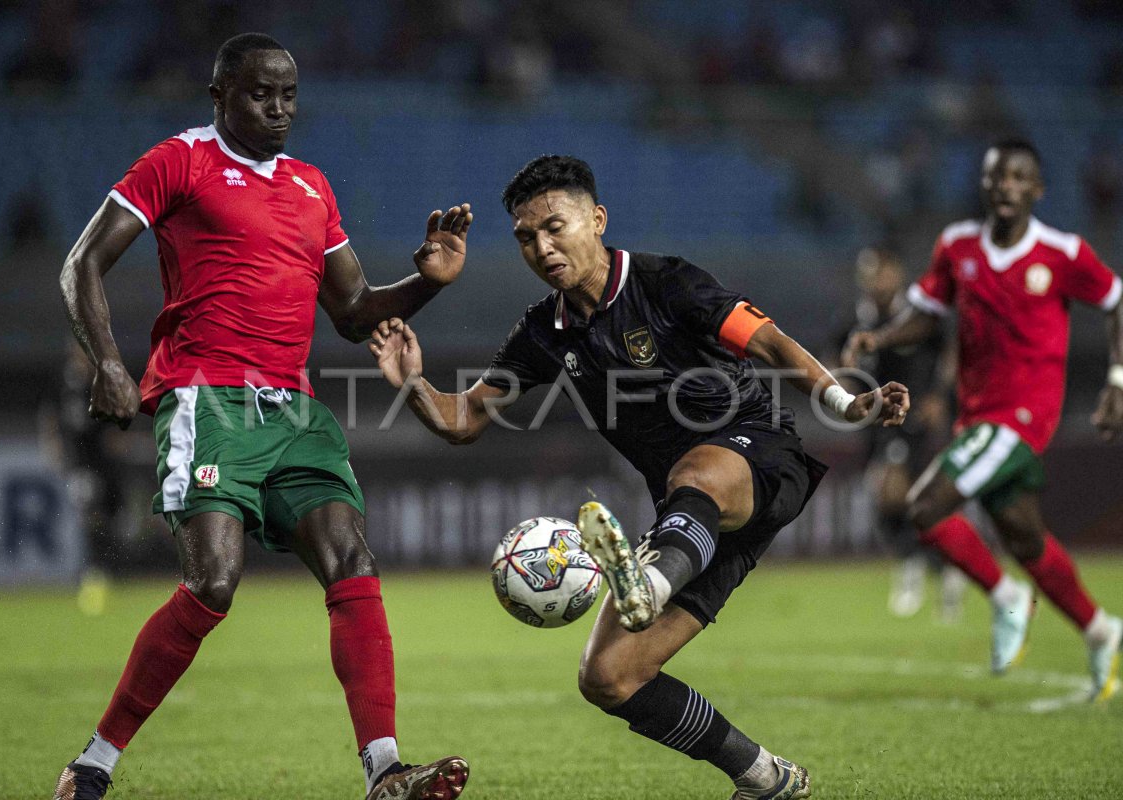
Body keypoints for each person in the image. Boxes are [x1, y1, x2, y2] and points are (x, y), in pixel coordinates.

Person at [370, 155, 910, 800]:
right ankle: (763, 776)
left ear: (596, 220)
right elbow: (466, 420)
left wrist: (848, 405)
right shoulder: (543, 333)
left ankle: (648, 582)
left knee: (697, 471)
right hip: (694, 519)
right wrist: (413, 385)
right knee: (610, 676)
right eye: (525, 238)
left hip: (760, 457)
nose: (542, 248)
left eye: (555, 227)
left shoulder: (667, 283)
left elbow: (767, 343)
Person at [53, 33, 471, 800]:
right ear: (220, 96)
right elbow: (81, 263)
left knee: (355, 563)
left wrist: (426, 281)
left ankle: (385, 772)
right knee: (213, 582)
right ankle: (92, 764)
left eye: (287, 96)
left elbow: (351, 312)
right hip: (205, 395)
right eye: (259, 94)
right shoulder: (177, 161)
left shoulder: (312, 186)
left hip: (295, 408)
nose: (277, 109)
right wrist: (109, 362)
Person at [844, 138, 1123, 701]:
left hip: (1025, 416)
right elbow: (926, 313)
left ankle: (1006, 599)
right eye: (998, 178)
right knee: (1025, 538)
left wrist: (1118, 381)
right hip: (977, 416)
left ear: (1038, 190)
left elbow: (1117, 300)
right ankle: (1100, 629)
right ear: (985, 186)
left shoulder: (1062, 252)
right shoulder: (956, 246)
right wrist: (881, 335)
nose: (1007, 188)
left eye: (1020, 179)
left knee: (925, 504)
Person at [838, 247, 965, 619]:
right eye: (868, 273)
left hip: (914, 414)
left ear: (895, 273)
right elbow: (834, 357)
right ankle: (944, 567)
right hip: (874, 419)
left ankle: (911, 565)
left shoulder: (916, 313)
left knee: (890, 489)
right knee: (896, 499)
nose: (874, 280)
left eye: (880, 272)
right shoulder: (855, 318)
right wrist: (843, 388)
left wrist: (940, 396)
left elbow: (949, 349)